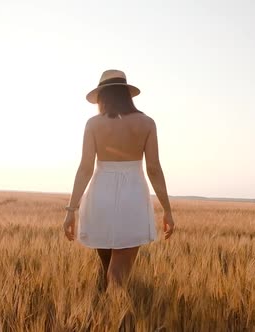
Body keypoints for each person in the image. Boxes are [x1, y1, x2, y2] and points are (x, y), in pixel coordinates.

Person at [63, 69, 175, 289]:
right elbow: (153, 168)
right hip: (132, 196)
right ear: (127, 95)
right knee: (117, 275)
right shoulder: (147, 123)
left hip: (99, 195)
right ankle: (115, 318)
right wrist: (167, 210)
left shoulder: (93, 124)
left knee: (107, 269)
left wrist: (70, 211)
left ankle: (106, 315)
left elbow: (85, 168)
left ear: (102, 97)